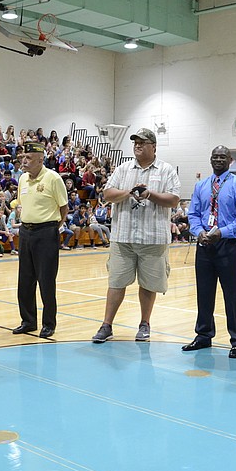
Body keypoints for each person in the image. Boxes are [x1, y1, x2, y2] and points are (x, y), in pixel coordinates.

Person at [91, 128, 180, 343]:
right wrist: (129, 192)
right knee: (116, 281)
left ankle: (144, 324)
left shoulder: (167, 170)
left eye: (143, 142)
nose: (138, 145)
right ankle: (106, 325)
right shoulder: (123, 169)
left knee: (148, 284)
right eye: (135, 142)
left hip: (153, 239)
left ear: (154, 146)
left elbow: (174, 199)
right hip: (123, 238)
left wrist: (149, 194)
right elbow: (108, 193)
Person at [182, 145, 236, 358]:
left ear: (230, 160)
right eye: (215, 156)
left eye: (223, 157)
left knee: (232, 295)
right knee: (204, 293)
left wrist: (222, 232)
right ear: (210, 159)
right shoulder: (201, 186)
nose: (218, 160)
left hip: (227, 244)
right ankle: (203, 335)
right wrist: (198, 232)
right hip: (204, 244)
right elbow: (193, 213)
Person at [12, 141, 67, 338]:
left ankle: (48, 323)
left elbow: (64, 208)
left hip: (46, 232)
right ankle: (28, 321)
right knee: (25, 280)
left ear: (40, 160)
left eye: (28, 158)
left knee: (46, 280)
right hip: (26, 232)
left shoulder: (53, 178)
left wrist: (52, 228)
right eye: (23, 158)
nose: (24, 161)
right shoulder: (23, 179)